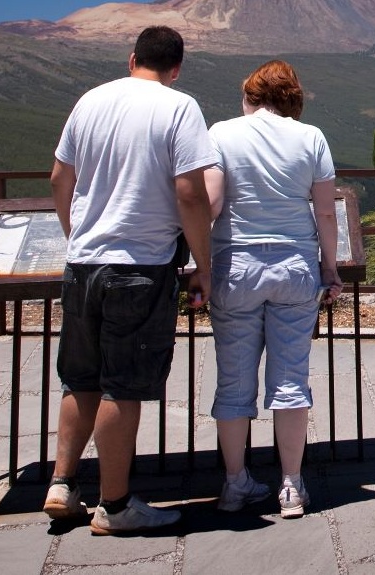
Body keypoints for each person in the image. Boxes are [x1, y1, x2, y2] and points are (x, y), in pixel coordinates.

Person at [44, 26, 217, 535]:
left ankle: (61, 483)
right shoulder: (179, 107)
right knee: (124, 387)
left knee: (81, 377)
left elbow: (59, 178)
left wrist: (76, 234)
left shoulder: (91, 101)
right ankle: (115, 507)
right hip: (141, 266)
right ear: (177, 68)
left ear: (132, 58)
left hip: (82, 264)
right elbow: (190, 192)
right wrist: (202, 266)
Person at [204, 59, 339, 518]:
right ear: (292, 98)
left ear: (250, 97)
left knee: (234, 381)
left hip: (234, 266)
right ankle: (292, 484)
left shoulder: (221, 133)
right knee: (291, 379)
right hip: (296, 268)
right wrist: (331, 268)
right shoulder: (312, 138)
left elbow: (213, 203)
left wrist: (197, 264)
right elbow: (324, 213)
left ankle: (235, 482)